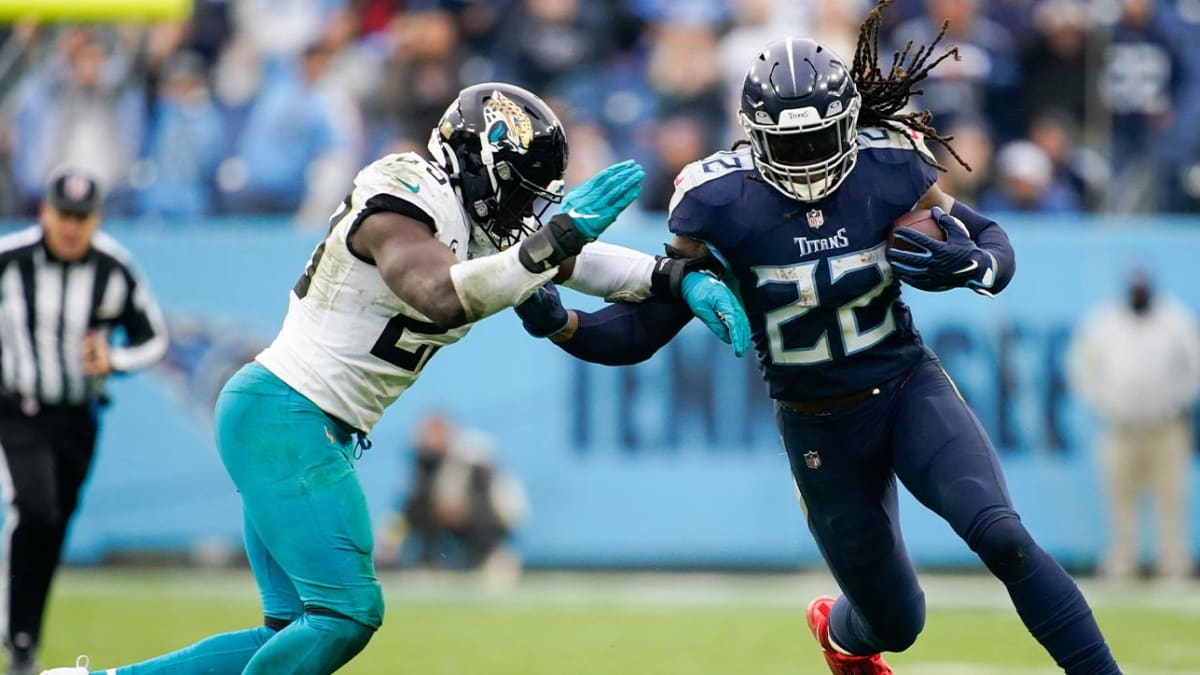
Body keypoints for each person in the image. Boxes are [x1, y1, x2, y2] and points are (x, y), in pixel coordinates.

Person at [41, 81, 749, 675]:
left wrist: (675, 278)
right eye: (523, 191)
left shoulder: (485, 225)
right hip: (287, 413)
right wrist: (555, 239)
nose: (529, 211)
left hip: (302, 423)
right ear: (482, 162)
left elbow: (591, 267)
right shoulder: (403, 188)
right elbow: (438, 291)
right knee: (348, 612)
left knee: (288, 634)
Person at [515, 3, 1123, 673]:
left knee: (1003, 535)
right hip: (819, 427)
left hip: (904, 388)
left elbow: (990, 241)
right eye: (789, 143)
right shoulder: (717, 203)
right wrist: (562, 323)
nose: (806, 159)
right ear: (752, 136)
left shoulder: (888, 164)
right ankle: (839, 631)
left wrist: (971, 264)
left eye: (819, 138)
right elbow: (644, 329)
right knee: (896, 620)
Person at [0, 168, 167, 675]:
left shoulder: (114, 268)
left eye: (82, 217)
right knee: (34, 506)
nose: (71, 227)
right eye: (63, 215)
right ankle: (17, 632)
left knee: (53, 524)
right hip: (17, 408)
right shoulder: (9, 261)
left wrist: (112, 361)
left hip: (78, 417)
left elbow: (153, 339)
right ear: (44, 212)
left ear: (95, 219)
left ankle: (25, 637)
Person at [1067, 269, 1200, 582]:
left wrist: (1174, 401)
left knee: (1170, 497)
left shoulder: (1176, 320)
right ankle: (1123, 562)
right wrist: (1102, 402)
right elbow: (1081, 368)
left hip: (1165, 427)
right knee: (1119, 498)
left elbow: (1194, 368)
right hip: (1119, 427)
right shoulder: (1103, 321)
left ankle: (1172, 564)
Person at [379, 412, 527, 584]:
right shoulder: (422, 463)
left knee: (480, 519)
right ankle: (427, 561)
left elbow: (494, 502)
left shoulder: (475, 457)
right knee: (419, 509)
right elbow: (406, 507)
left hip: (491, 519)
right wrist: (388, 544)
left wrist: (453, 506)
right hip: (450, 519)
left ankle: (490, 557)